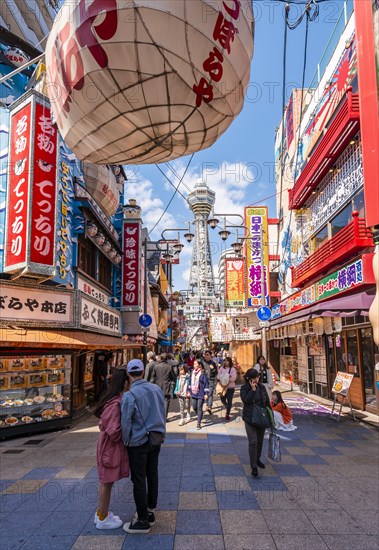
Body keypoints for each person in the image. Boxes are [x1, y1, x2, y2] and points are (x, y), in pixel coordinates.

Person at [121, 359, 166, 534]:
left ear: (128, 374)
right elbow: (162, 412)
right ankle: (150, 511)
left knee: (138, 479)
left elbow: (126, 423)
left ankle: (142, 520)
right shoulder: (156, 389)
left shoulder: (129, 395)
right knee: (152, 473)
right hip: (155, 439)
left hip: (138, 442)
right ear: (143, 371)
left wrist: (126, 441)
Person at [94, 368, 130, 530]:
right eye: (128, 380)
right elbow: (114, 431)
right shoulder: (115, 404)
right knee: (106, 481)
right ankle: (102, 517)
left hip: (108, 446)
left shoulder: (114, 399)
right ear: (123, 382)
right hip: (109, 447)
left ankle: (102, 512)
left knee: (106, 481)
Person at [240, 368, 271, 478]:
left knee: (260, 441)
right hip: (249, 418)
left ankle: (257, 459)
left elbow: (267, 402)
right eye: (254, 378)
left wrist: (270, 416)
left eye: (257, 377)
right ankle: (253, 466)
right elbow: (246, 401)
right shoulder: (244, 388)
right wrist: (252, 390)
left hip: (261, 418)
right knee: (252, 441)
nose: (256, 380)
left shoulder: (262, 387)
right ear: (248, 379)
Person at [151, 354, 176, 420]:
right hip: (166, 386)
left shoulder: (156, 366)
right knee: (166, 402)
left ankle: (159, 416)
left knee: (159, 402)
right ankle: (164, 417)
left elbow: (153, 377)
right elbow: (173, 376)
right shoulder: (169, 366)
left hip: (157, 386)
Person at [188, 359, 209, 430]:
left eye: (196, 364)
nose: (194, 365)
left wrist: (206, 394)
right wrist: (188, 391)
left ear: (200, 365)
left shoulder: (203, 374)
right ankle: (200, 415)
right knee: (194, 407)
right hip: (193, 393)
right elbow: (190, 382)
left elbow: (206, 384)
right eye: (194, 364)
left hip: (201, 393)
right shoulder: (192, 373)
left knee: (199, 407)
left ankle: (198, 423)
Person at [217, 356, 237, 420]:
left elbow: (233, 378)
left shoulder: (233, 369)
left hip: (230, 387)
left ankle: (227, 413)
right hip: (222, 387)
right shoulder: (221, 368)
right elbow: (218, 376)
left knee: (229, 400)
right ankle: (227, 406)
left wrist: (226, 377)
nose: (225, 362)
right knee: (222, 399)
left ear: (230, 361)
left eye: (227, 360)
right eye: (225, 360)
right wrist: (224, 377)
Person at [202, 350, 218, 415]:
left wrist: (213, 369)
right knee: (205, 394)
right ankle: (207, 405)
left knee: (210, 393)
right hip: (203, 380)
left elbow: (216, 372)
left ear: (210, 355)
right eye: (205, 354)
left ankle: (209, 407)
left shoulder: (213, 363)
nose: (206, 356)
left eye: (207, 354)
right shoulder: (202, 362)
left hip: (211, 380)